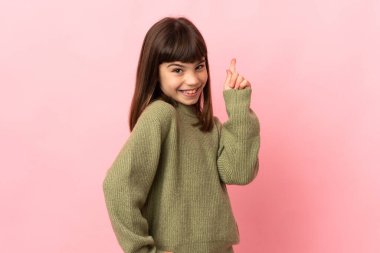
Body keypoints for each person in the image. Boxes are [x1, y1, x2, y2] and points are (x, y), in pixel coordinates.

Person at [102, 16, 260, 253]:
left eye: (199, 66)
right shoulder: (160, 116)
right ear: (155, 73)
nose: (193, 79)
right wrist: (141, 249)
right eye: (177, 70)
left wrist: (238, 107)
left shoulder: (210, 126)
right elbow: (118, 186)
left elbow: (239, 172)